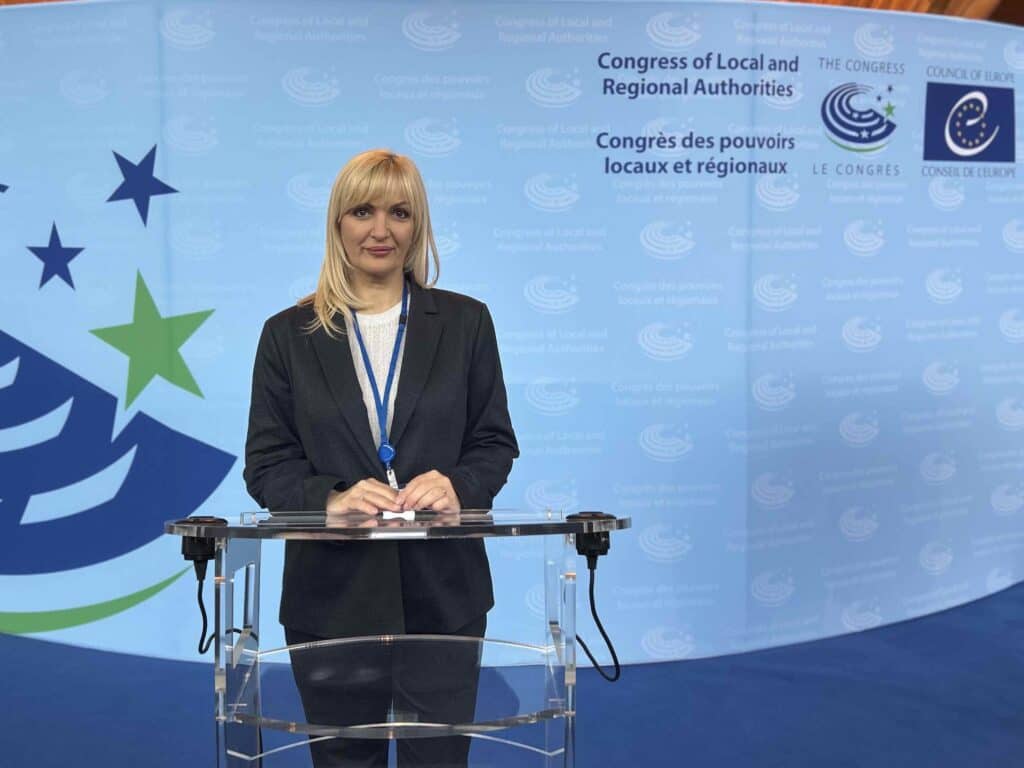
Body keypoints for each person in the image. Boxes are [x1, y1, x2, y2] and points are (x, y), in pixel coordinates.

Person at [243, 149, 519, 767]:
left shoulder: (467, 323)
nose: (380, 230)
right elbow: (266, 463)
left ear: (418, 226)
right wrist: (329, 500)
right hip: (330, 599)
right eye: (363, 211)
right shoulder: (287, 334)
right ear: (337, 223)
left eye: (399, 212)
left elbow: (494, 442)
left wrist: (459, 485)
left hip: (444, 596)